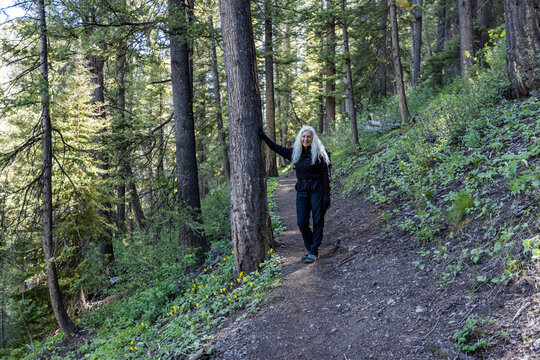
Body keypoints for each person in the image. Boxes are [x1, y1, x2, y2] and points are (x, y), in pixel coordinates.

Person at [259, 125, 331, 264]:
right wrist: (263, 137)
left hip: (317, 189)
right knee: (301, 222)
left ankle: (313, 251)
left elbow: (325, 175)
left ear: (313, 138)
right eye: (303, 136)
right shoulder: (295, 152)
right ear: (300, 138)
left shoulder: (320, 153)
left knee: (317, 221)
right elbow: (276, 148)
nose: (306, 139)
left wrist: (327, 195)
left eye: (308, 137)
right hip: (302, 191)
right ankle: (310, 248)